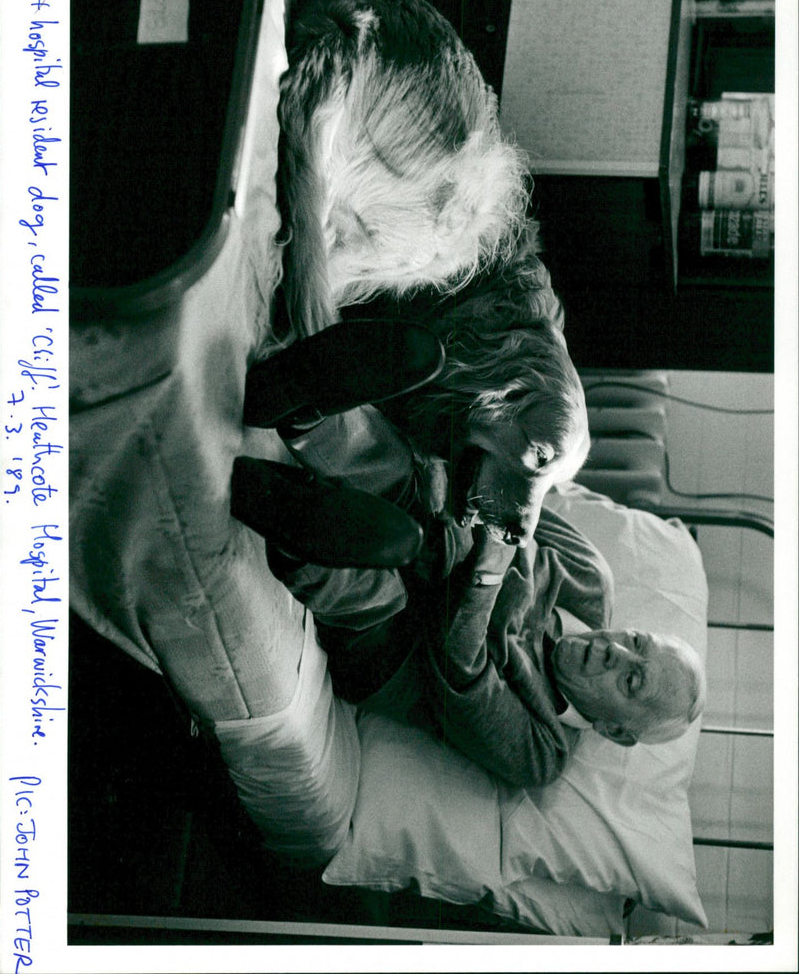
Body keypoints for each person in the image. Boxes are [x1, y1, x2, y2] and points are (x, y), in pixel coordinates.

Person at [232, 321, 706, 788]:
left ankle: (292, 512)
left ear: (615, 731)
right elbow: (513, 499)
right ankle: (302, 405)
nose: (613, 650)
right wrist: (465, 516)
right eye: (636, 641)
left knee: (376, 593)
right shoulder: (591, 578)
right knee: (410, 484)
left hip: (403, 647)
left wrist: (488, 573)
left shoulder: (543, 754)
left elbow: (458, 671)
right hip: (442, 536)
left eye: (630, 680)